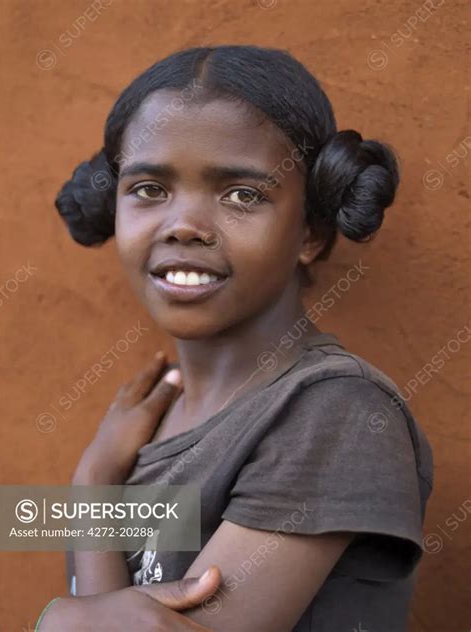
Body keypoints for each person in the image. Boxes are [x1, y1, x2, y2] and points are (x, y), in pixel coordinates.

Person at [39, 45, 434, 631]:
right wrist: (92, 479)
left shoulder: (334, 412)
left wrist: (56, 621)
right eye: (149, 188)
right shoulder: (147, 424)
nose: (184, 226)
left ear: (311, 232)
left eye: (242, 195)